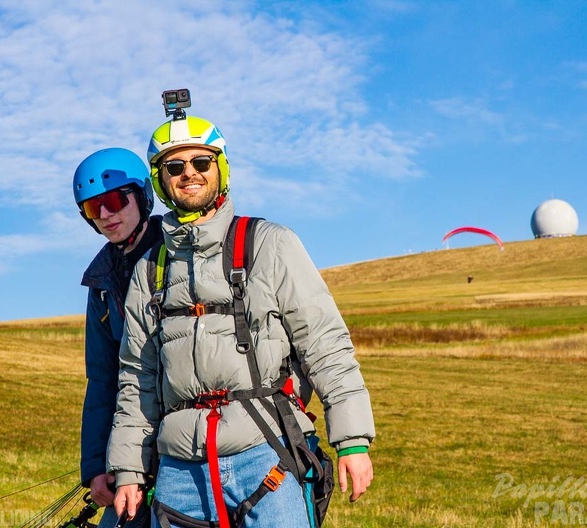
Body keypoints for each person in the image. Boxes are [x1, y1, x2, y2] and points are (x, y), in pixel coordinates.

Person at [108, 114, 376, 528]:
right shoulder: (149, 271)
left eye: (202, 163)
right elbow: (136, 379)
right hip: (181, 474)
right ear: (161, 182)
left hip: (266, 454)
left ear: (221, 168)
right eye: (174, 168)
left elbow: (324, 343)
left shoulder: (269, 243)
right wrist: (129, 469)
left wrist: (352, 441)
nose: (189, 174)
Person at [73, 147, 163, 528]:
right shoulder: (102, 284)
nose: (106, 215)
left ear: (143, 196)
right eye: (94, 209)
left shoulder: (179, 249)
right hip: (131, 443)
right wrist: (96, 467)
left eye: (113, 200)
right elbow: (102, 378)